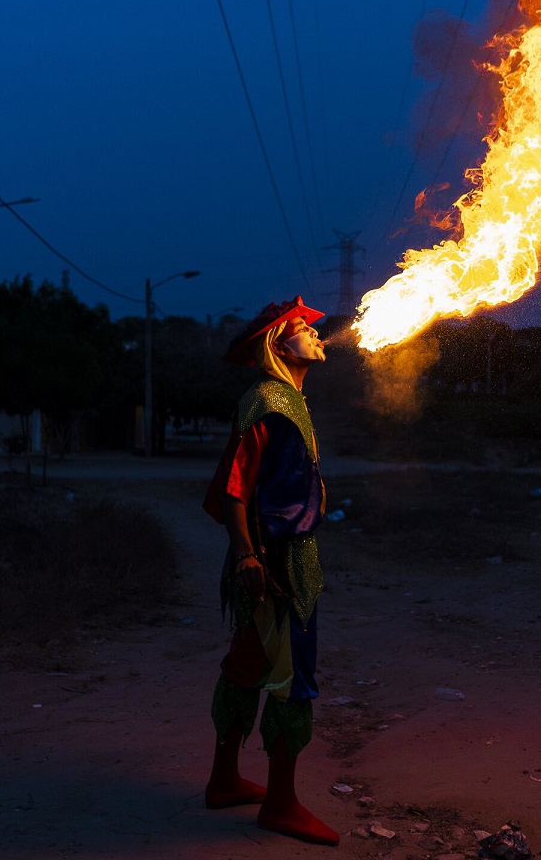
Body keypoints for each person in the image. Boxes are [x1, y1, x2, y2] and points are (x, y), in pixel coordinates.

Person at [201, 295, 338, 846]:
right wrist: (249, 557)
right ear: (279, 345)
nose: (315, 333)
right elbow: (232, 491)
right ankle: (281, 805)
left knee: (244, 666)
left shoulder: (288, 400)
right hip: (277, 565)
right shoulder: (268, 401)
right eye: (304, 327)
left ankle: (224, 779)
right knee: (292, 681)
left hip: (273, 558)